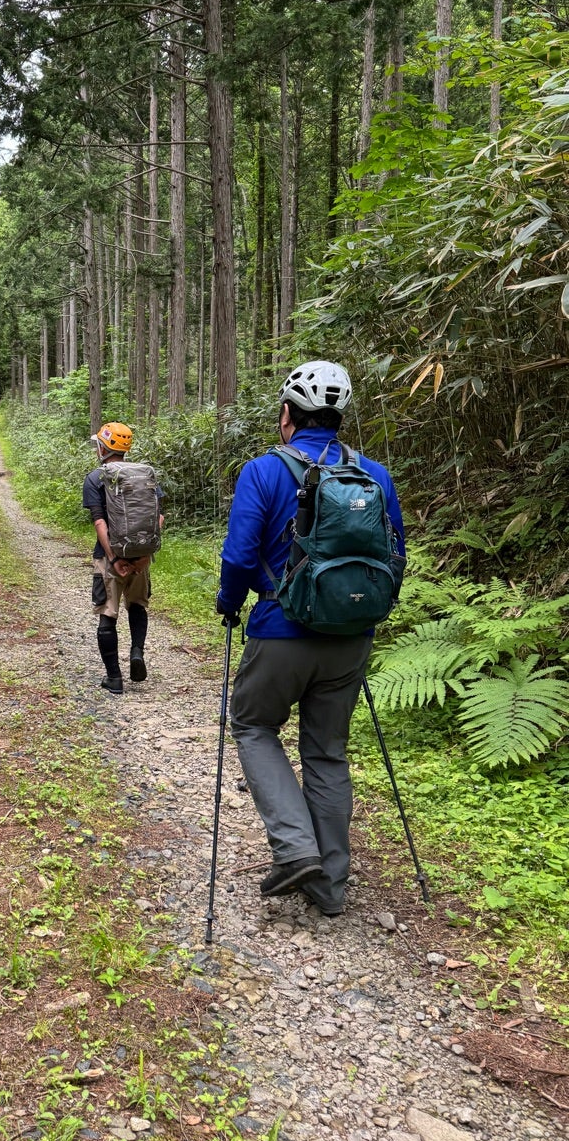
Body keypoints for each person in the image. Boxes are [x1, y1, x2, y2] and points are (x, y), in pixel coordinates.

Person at [216, 361, 406, 918]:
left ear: (287, 416)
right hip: (352, 637)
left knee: (253, 724)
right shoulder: (374, 474)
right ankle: (330, 886)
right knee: (327, 752)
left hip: (281, 630)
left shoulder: (264, 471)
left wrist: (232, 603)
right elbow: (395, 556)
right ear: (338, 417)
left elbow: (239, 555)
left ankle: (296, 850)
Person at [82, 421, 164, 695]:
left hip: (109, 560)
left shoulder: (96, 478)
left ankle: (114, 677)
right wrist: (144, 557)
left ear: (104, 448)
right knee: (138, 606)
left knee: (108, 615)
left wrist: (115, 559)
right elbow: (158, 519)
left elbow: (99, 523)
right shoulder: (145, 475)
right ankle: (137, 652)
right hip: (141, 557)